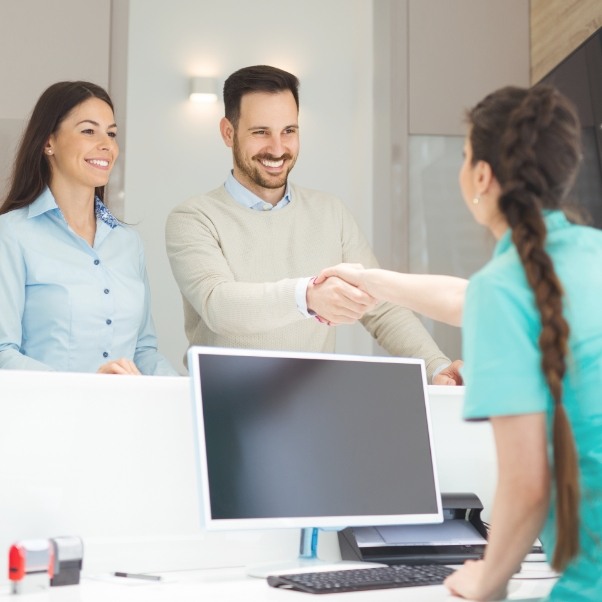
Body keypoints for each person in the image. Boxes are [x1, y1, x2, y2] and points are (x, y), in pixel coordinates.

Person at [318, 84, 602, 600]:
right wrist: (371, 279)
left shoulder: (506, 288)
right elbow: (465, 298)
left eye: (466, 153)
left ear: (482, 176)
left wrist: (487, 577)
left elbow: (527, 482)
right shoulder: (587, 255)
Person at [165, 64, 461, 384]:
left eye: (289, 131)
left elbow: (381, 307)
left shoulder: (330, 213)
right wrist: (307, 296)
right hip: (222, 405)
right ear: (228, 132)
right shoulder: (194, 218)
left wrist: (435, 365)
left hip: (311, 404)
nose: (278, 149)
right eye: (261, 132)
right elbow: (219, 306)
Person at [0, 81, 177, 376]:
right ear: (48, 142)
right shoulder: (11, 234)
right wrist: (86, 388)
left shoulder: (128, 243)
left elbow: (143, 351)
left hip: (122, 417)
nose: (107, 145)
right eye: (88, 131)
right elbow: (3, 353)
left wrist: (184, 390)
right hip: (43, 418)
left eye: (111, 133)